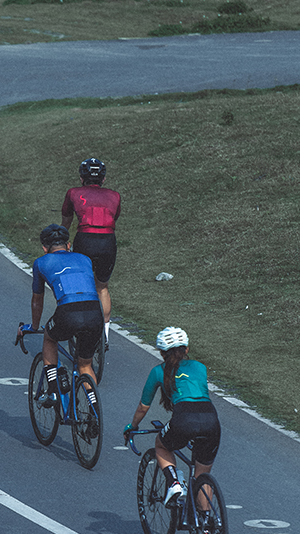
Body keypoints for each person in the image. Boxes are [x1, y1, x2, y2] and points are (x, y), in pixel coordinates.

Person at [124, 327, 221, 511]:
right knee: (201, 476)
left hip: (184, 418)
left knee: (161, 445)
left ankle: (174, 483)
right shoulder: (200, 367)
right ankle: (207, 521)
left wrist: (132, 426)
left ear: (162, 352)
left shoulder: (158, 372)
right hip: (211, 419)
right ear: (186, 349)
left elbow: (143, 406)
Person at [22, 223, 104, 405]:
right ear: (68, 245)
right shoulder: (85, 259)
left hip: (68, 312)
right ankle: (94, 409)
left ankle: (52, 391)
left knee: (50, 338)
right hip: (94, 312)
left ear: (44, 248)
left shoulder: (41, 262)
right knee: (85, 365)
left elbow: (37, 300)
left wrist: (34, 326)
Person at [60, 157, 121, 344]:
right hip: (107, 241)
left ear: (81, 178)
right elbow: (114, 217)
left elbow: (66, 222)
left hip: (85, 239)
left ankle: (79, 326)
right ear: (103, 179)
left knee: (81, 285)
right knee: (102, 287)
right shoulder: (115, 195)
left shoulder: (73, 193)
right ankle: (105, 336)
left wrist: (62, 242)